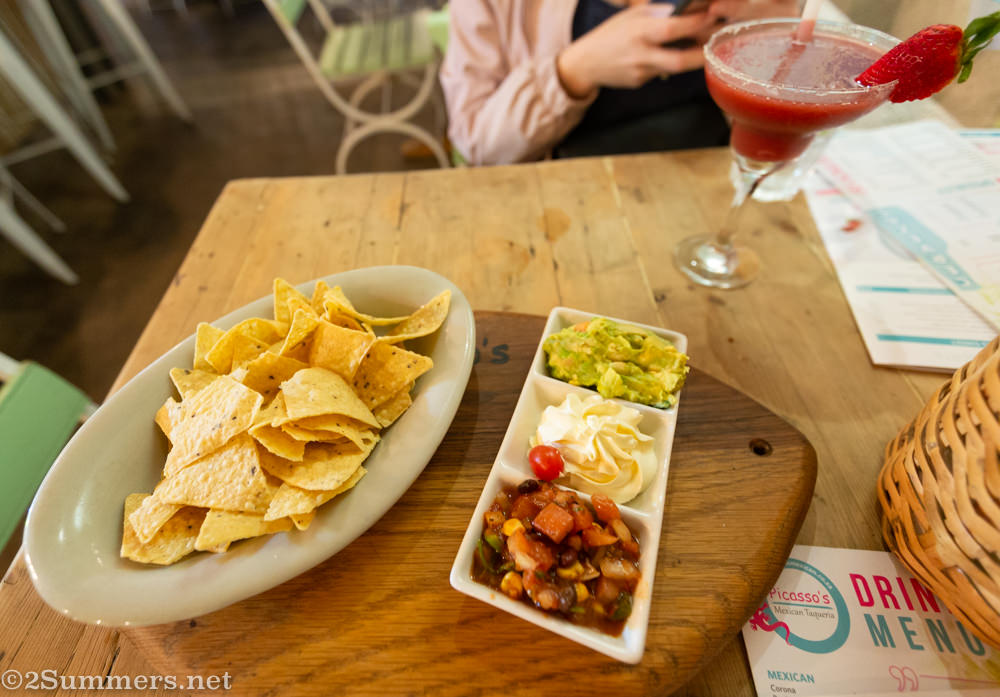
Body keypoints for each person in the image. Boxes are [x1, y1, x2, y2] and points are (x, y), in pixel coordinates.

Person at [440, 0, 800, 165]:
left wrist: (776, 27)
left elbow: (806, 115)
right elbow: (477, 146)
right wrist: (573, 71)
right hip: (565, 197)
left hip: (717, 179)